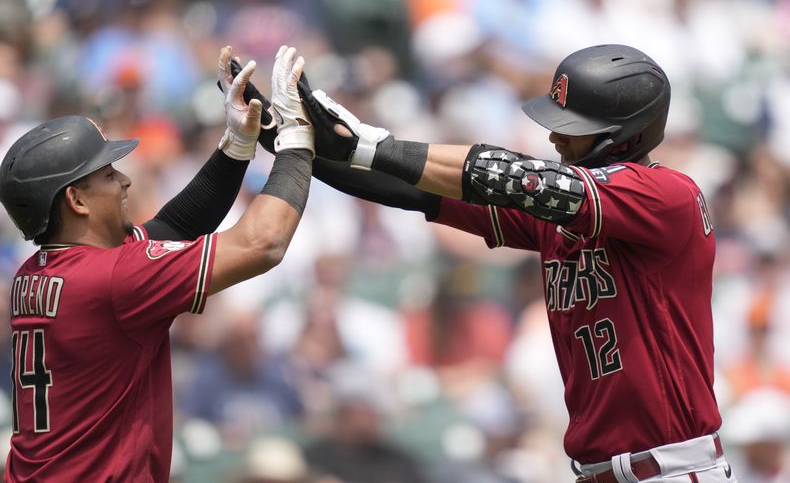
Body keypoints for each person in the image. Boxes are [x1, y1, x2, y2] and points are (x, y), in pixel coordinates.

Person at [231, 43, 734, 482]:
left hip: (673, 469)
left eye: (573, 129)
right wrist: (299, 146)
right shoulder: (560, 216)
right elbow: (418, 192)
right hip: (599, 471)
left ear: (623, 135)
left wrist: (371, 142)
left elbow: (517, 176)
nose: (556, 139)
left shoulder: (668, 196)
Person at [0, 44, 315, 482]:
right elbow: (263, 243)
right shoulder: (112, 278)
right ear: (75, 199)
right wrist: (298, 140)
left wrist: (239, 144)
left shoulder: (33, 273)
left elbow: (174, 225)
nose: (125, 180)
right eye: (108, 176)